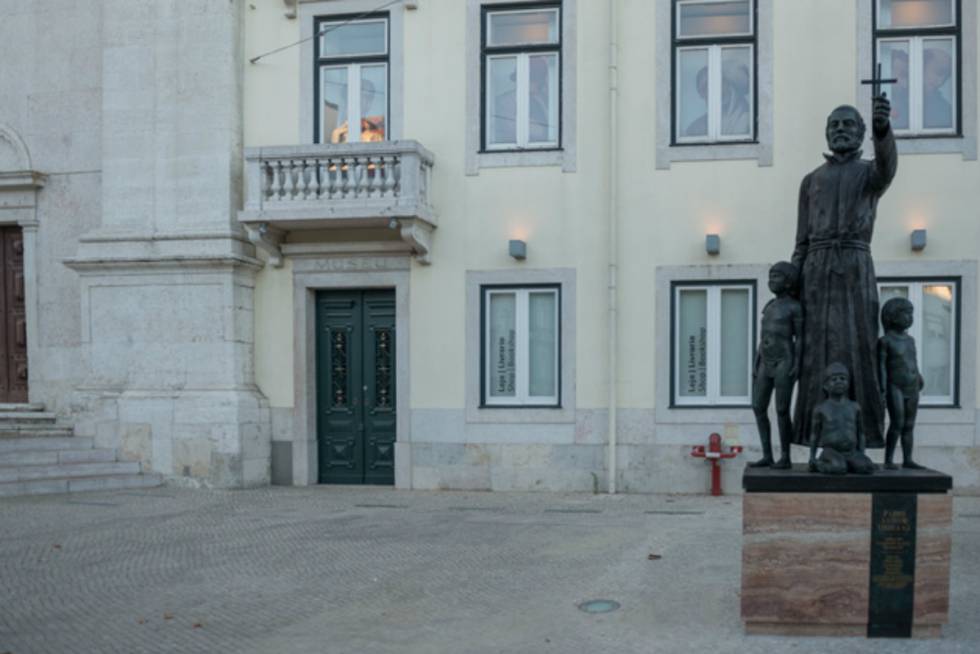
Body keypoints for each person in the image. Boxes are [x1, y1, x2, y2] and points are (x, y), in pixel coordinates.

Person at [791, 96, 896, 449]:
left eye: (848, 124)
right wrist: (794, 276)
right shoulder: (811, 181)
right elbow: (801, 239)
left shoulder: (869, 173)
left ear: (862, 133)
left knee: (861, 341)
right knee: (812, 347)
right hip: (816, 269)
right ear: (826, 133)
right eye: (834, 125)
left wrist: (883, 130)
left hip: (854, 264)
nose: (840, 130)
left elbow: (887, 168)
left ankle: (863, 434)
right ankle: (811, 432)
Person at [749, 262, 803, 469]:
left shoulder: (794, 307)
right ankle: (767, 455)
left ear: (788, 282)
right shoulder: (769, 306)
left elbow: (801, 338)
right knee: (758, 406)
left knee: (782, 409)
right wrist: (756, 360)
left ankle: (786, 456)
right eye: (770, 276)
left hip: (784, 360)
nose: (771, 280)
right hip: (765, 360)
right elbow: (763, 337)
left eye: (777, 276)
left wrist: (797, 363)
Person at [878, 298, 926, 470]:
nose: (909, 317)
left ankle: (907, 459)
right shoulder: (885, 341)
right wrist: (883, 389)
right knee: (897, 423)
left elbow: (912, 360)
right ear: (892, 317)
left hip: (912, 386)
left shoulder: (910, 340)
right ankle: (888, 460)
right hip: (895, 387)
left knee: (909, 425)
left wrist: (918, 375)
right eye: (905, 313)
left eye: (910, 314)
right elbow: (882, 367)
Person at [808, 363, 875, 475]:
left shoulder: (855, 407)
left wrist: (862, 453)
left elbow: (861, 433)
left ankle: (848, 463)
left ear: (848, 383)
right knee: (838, 468)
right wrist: (812, 457)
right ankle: (818, 464)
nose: (839, 381)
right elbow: (814, 435)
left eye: (843, 378)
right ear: (825, 386)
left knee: (867, 467)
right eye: (834, 379)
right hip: (830, 451)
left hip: (851, 452)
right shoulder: (821, 409)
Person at [684, 60, 751, 138]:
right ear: (702, 95)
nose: (711, 91)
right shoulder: (695, 128)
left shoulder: (748, 119)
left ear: (729, 84)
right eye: (704, 89)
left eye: (716, 83)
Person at [923, 47, 953, 129]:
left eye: (945, 78)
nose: (940, 82)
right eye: (938, 72)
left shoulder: (945, 110)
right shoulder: (895, 98)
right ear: (921, 67)